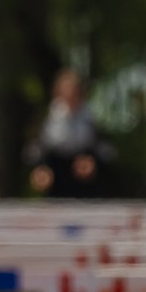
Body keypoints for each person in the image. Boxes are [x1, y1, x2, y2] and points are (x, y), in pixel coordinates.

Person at [28, 67, 106, 197]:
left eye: (74, 92)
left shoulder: (89, 117)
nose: (70, 96)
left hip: (83, 176)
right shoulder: (48, 117)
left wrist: (93, 162)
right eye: (67, 91)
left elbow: (103, 149)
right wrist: (40, 168)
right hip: (56, 173)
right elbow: (36, 148)